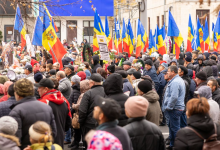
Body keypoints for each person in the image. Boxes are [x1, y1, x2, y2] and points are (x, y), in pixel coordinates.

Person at [9, 78, 57, 149]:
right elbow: (53, 132)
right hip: (45, 147)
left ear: (17, 93)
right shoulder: (46, 107)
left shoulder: (16, 111)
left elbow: (15, 139)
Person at [37, 78, 71, 148]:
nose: (37, 90)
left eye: (39, 88)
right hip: (60, 139)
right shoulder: (65, 100)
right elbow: (69, 121)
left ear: (46, 89)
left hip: (46, 140)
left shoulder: (42, 103)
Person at [79, 73, 106, 148]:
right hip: (103, 123)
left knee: (89, 145)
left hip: (89, 124)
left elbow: (82, 111)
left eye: (89, 82)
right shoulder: (106, 91)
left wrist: (81, 121)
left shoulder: (88, 93)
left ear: (92, 83)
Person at [162, 65, 185, 149]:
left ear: (173, 72)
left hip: (174, 108)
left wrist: (169, 107)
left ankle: (176, 146)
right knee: (172, 128)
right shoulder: (176, 80)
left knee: (175, 129)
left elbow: (174, 97)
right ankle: (172, 144)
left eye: (168, 71)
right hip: (176, 108)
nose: (167, 73)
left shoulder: (175, 82)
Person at [70, 80, 90, 149]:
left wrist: (73, 106)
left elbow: (80, 105)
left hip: (79, 114)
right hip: (84, 115)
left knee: (78, 130)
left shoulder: (83, 94)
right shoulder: (88, 93)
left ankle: (76, 144)